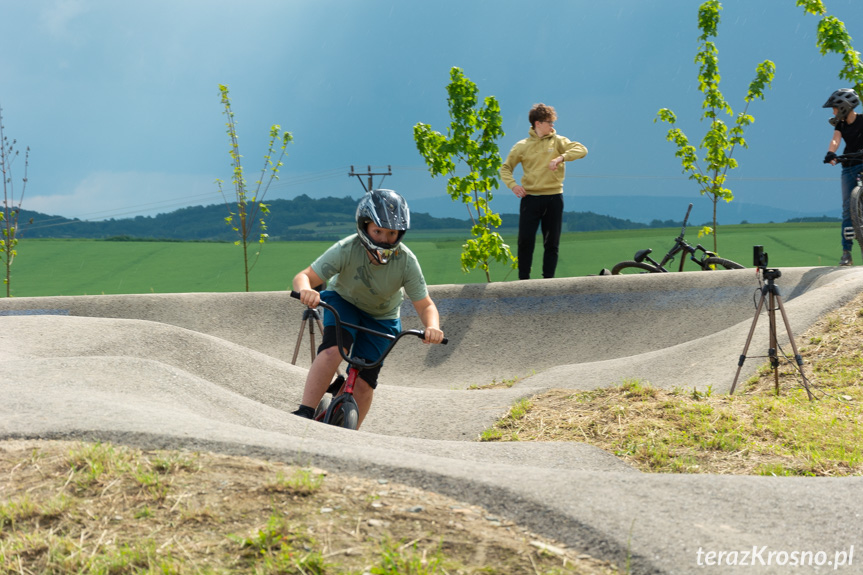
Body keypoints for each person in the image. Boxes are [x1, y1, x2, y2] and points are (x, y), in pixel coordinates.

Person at [291, 189, 445, 428]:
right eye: (378, 231)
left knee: (364, 384)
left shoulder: (406, 261)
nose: (384, 239)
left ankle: (349, 437)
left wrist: (432, 326)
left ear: (400, 233)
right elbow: (304, 276)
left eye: (391, 233)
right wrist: (306, 290)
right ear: (364, 227)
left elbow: (425, 305)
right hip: (344, 302)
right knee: (334, 350)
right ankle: (305, 411)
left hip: (383, 317)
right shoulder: (347, 248)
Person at [500, 103, 588, 280]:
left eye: (553, 122)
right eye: (549, 122)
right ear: (537, 123)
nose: (552, 126)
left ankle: (548, 280)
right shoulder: (522, 146)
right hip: (530, 199)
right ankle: (523, 280)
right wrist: (513, 185)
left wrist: (561, 157)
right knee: (525, 241)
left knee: (552, 242)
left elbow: (582, 149)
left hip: (554, 198)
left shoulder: (559, 141)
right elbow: (505, 168)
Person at [823, 88, 863, 266]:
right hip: (848, 166)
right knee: (847, 210)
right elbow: (835, 140)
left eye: (835, 108)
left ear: (845, 107)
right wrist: (831, 153)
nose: (833, 112)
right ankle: (846, 252)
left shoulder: (862, 120)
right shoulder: (840, 125)